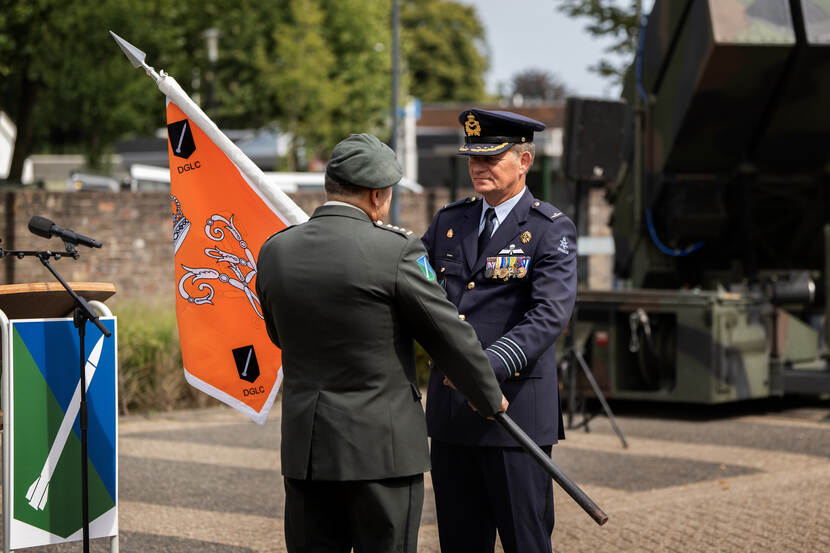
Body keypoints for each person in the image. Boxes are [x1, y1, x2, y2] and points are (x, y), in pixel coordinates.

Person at [255, 133, 507, 553]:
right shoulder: (396, 251)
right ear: (378, 196)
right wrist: (488, 394)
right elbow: (447, 333)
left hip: (307, 451)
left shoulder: (275, 250)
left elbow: (278, 335)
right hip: (381, 453)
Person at [422, 109, 577, 553]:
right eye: (473, 157)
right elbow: (416, 289)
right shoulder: (450, 221)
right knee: (460, 542)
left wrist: (481, 368)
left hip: (515, 417)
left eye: (491, 157)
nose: (478, 166)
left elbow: (549, 315)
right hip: (453, 418)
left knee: (524, 542)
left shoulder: (550, 230)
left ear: (524, 161)